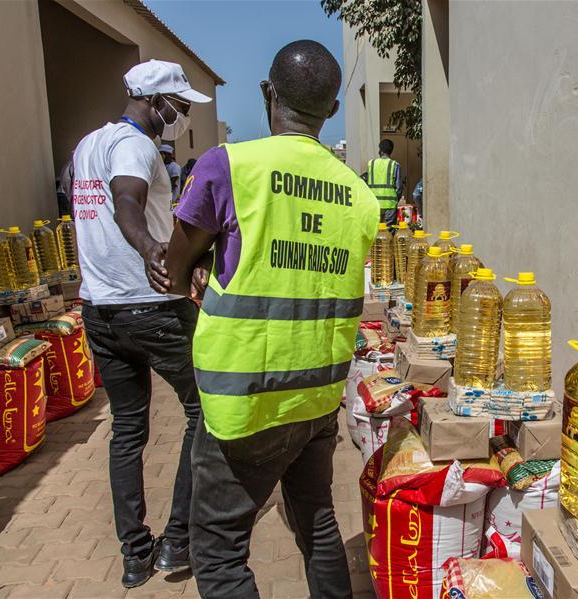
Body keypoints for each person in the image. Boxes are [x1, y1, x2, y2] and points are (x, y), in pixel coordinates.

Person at [164, 40, 378, 598]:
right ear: (332, 111)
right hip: (317, 395)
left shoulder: (229, 166)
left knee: (217, 550)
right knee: (318, 523)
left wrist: (205, 261)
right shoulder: (359, 196)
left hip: (246, 402)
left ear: (267, 92)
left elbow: (172, 264)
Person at [71, 59, 211, 588]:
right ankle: (177, 543)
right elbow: (125, 199)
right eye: (178, 104)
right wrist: (151, 246)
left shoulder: (87, 145)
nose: (180, 114)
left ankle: (134, 554)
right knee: (203, 407)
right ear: (155, 101)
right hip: (147, 304)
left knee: (127, 429)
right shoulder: (135, 146)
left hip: (99, 309)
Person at [366, 138, 402, 226]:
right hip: (390, 205)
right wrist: (395, 200)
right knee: (388, 234)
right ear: (391, 151)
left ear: (380, 151)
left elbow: (366, 184)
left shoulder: (371, 164)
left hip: (374, 205)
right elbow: (399, 188)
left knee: (375, 232)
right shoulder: (394, 165)